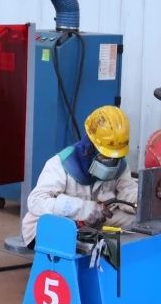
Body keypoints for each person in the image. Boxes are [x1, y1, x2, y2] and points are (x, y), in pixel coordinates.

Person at [21, 105, 139, 248]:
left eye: (116, 157)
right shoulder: (61, 164)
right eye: (106, 156)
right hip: (61, 225)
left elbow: (128, 193)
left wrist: (146, 199)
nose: (112, 162)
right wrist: (83, 209)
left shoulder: (120, 165)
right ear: (90, 147)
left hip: (97, 223)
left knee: (138, 224)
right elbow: (36, 201)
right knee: (66, 234)